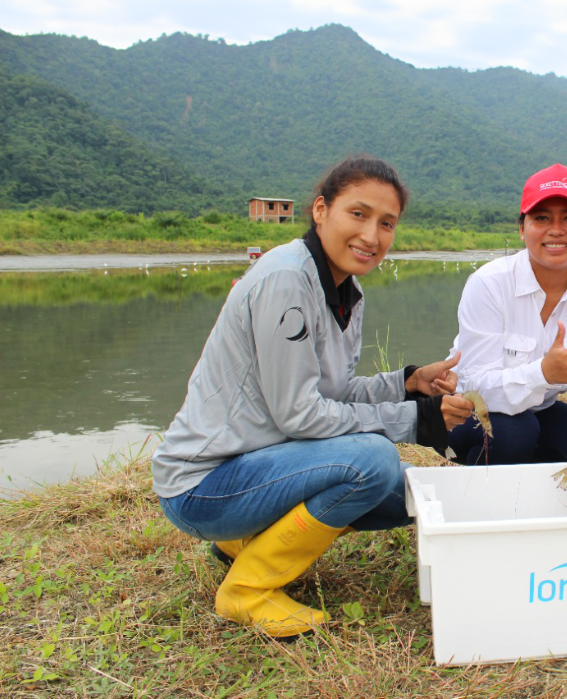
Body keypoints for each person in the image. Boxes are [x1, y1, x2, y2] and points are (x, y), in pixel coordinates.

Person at [152, 155, 474, 638]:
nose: (372, 236)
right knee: (372, 461)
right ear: (321, 210)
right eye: (359, 214)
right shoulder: (287, 278)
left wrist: (406, 383)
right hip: (204, 486)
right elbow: (301, 415)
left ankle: (242, 545)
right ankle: (248, 589)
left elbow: (335, 394)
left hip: (261, 465)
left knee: (411, 492)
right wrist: (416, 419)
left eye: (387, 224)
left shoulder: (345, 291)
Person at [446, 163, 567, 476]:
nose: (556, 230)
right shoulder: (490, 284)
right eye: (541, 218)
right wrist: (543, 373)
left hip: (536, 410)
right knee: (514, 434)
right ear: (522, 227)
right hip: (469, 410)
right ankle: (476, 502)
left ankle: (539, 497)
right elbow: (475, 383)